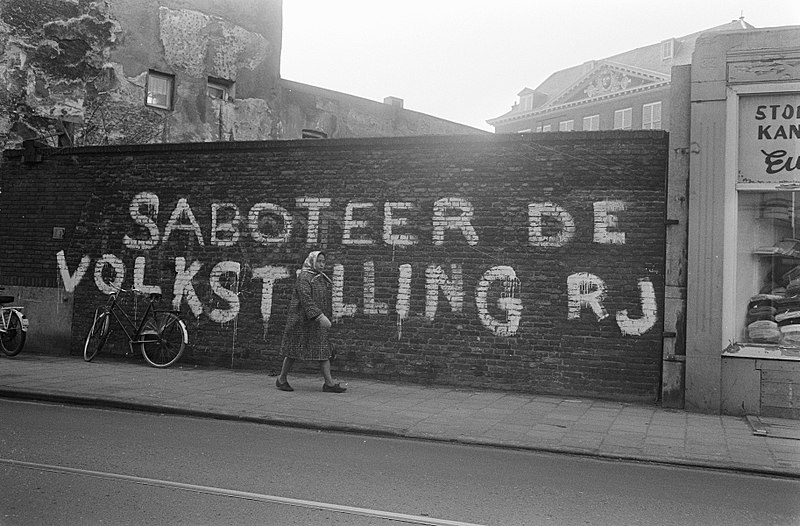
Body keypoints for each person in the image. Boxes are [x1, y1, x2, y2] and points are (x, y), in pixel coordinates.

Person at [276, 250, 346, 393]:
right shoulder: (304, 278)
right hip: (301, 321)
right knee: (293, 351)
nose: (322, 264)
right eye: (319, 261)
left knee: (323, 350)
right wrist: (320, 317)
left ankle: (329, 383)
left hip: (315, 322)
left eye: (323, 262)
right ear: (312, 261)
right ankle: (281, 379)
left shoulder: (319, 277)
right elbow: (306, 299)